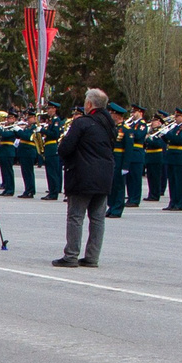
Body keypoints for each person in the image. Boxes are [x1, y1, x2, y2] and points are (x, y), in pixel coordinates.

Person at [53, 89, 115, 267]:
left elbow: (66, 148)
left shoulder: (82, 123)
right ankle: (92, 257)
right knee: (97, 218)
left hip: (83, 175)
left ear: (89, 104)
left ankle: (71, 255)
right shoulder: (109, 124)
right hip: (104, 175)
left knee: (76, 217)